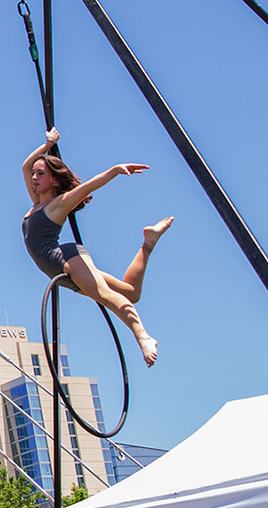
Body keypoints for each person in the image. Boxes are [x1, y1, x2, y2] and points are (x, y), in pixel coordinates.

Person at [21, 128, 172, 367]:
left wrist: (114, 171)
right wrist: (48, 144)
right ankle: (148, 242)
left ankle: (143, 336)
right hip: (63, 277)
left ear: (54, 180)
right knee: (130, 292)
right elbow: (25, 165)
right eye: (34, 175)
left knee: (105, 296)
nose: (34, 178)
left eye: (40, 174)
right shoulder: (36, 203)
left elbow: (88, 187)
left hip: (67, 260)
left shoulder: (57, 205)